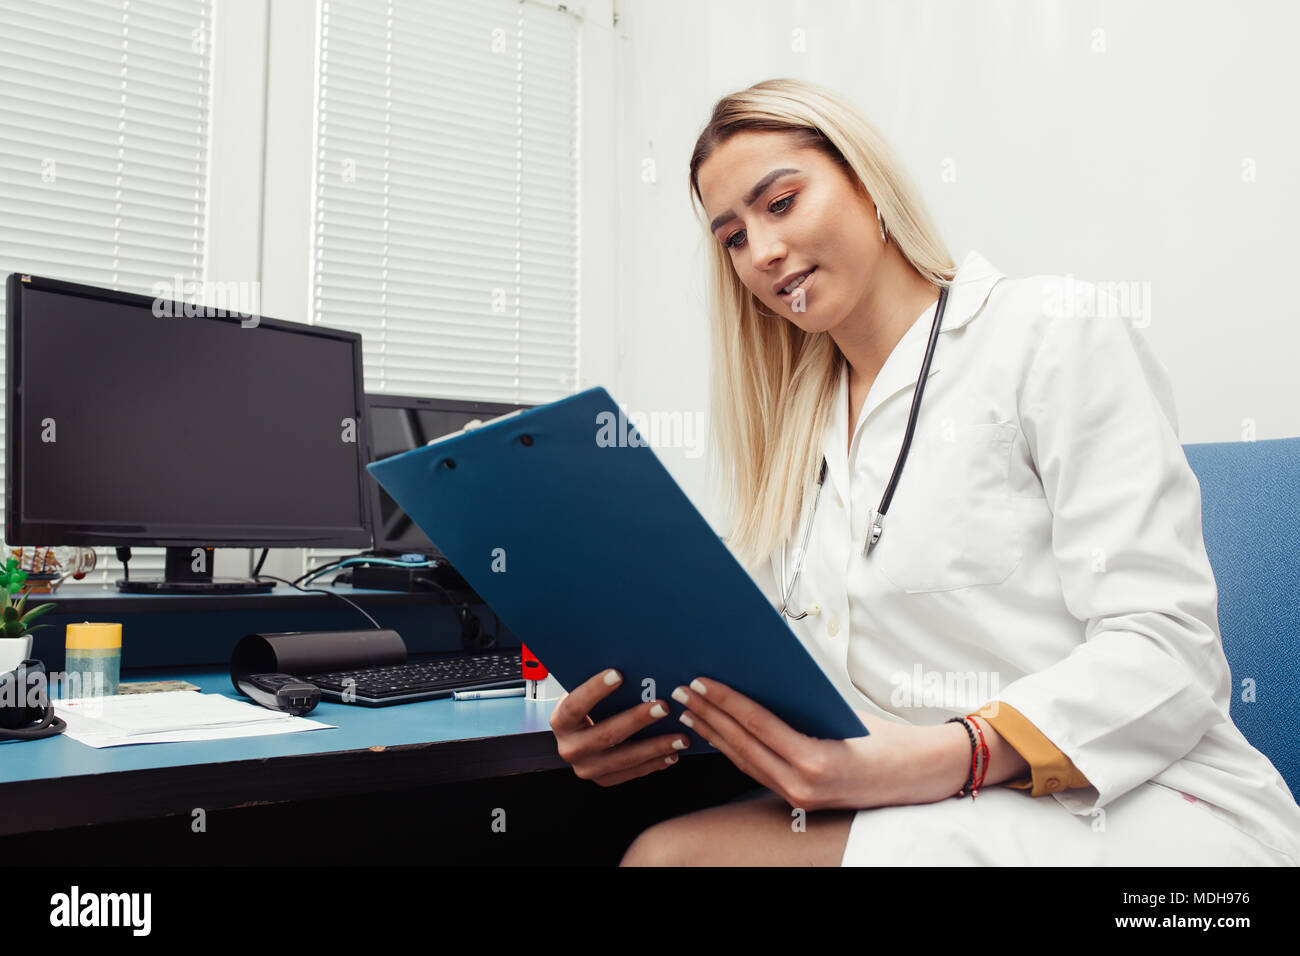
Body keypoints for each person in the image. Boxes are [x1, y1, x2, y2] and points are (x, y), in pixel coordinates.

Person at [548, 77, 1300, 866]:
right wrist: (639, 720)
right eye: (732, 237)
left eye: (780, 204)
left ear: (868, 184)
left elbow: (1169, 651)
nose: (762, 252)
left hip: (1147, 806)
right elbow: (776, 677)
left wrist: (953, 754)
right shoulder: (793, 433)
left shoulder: (1048, 333)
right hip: (923, 800)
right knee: (658, 847)